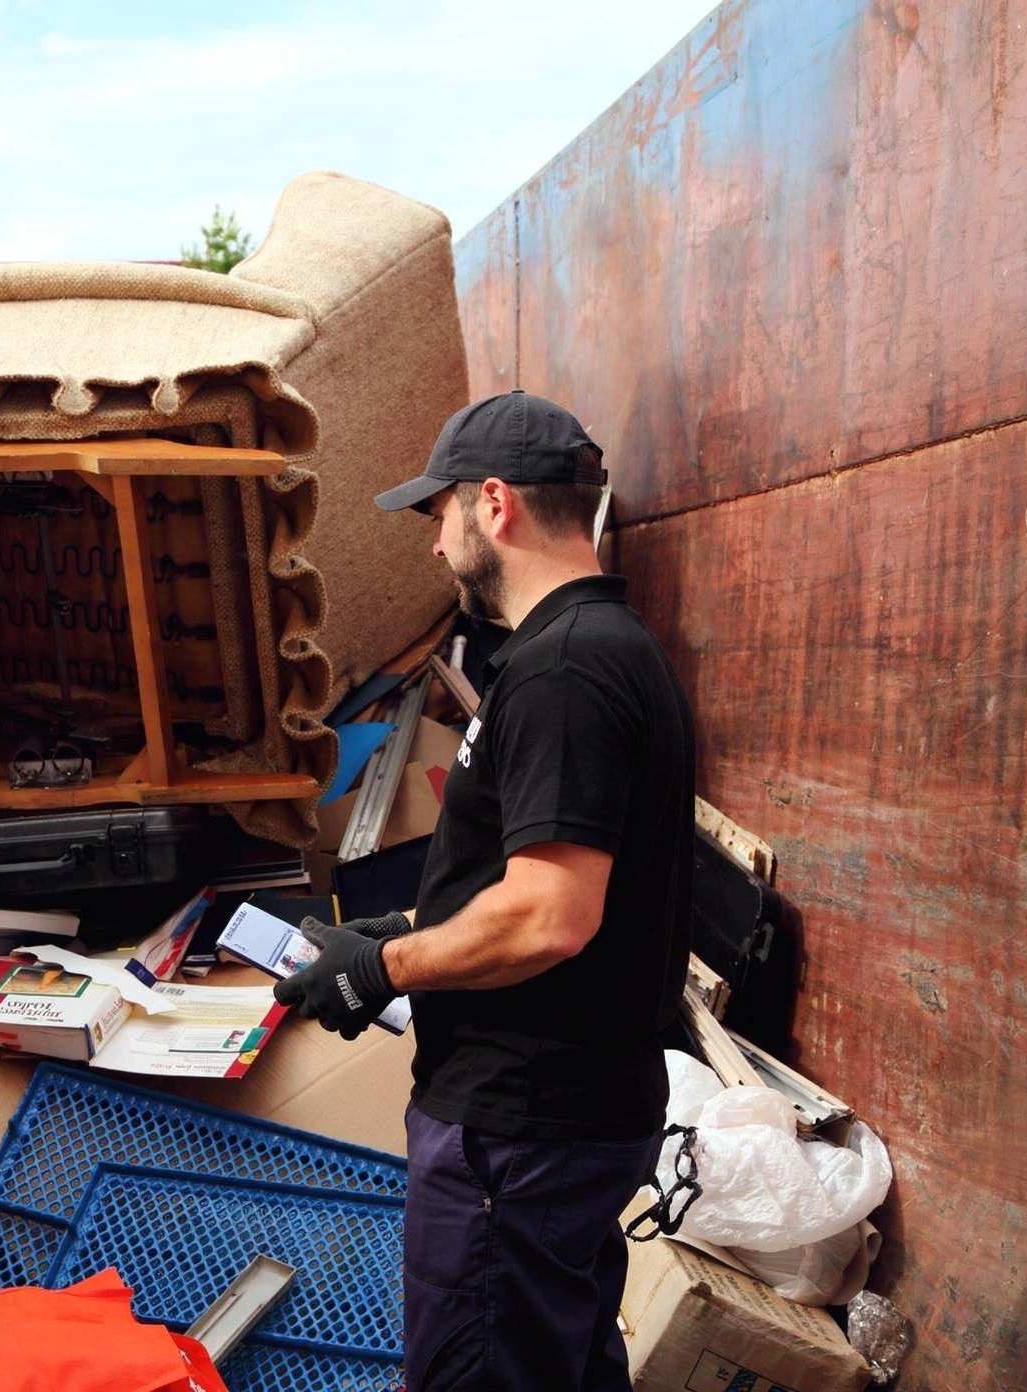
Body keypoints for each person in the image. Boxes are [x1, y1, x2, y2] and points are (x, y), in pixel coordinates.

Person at [274, 390, 695, 1391]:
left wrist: (381, 966)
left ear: (492, 504)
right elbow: (524, 885)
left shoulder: (564, 669)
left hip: (523, 1130)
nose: (433, 546)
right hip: (561, 1125)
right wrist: (397, 932)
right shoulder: (595, 656)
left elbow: (551, 916)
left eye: (439, 514)